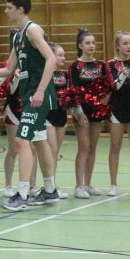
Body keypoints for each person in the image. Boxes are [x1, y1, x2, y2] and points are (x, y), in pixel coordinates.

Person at [0, 0, 61, 211]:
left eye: (8, 7)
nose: (5, 11)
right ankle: (50, 190)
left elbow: (51, 59)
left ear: (21, 9)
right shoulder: (17, 36)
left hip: (38, 94)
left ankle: (23, 193)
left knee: (22, 141)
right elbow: (8, 69)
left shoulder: (33, 30)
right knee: (39, 141)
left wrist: (41, 91)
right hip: (28, 95)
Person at [105, 31, 130, 197]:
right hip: (117, 109)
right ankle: (113, 184)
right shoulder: (111, 64)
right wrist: (122, 74)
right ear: (117, 46)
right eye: (125, 43)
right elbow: (114, 86)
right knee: (115, 147)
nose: (129, 46)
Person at [68, 28, 107, 199]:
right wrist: (79, 112)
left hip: (97, 109)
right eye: (87, 43)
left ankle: (88, 183)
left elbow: (107, 87)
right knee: (83, 147)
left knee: (93, 147)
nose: (91, 46)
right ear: (80, 46)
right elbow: (73, 90)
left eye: (93, 43)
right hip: (81, 110)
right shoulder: (75, 66)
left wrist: (103, 102)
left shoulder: (101, 65)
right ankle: (79, 185)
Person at [44, 42, 70, 198]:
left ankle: (52, 185)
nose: (63, 58)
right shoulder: (44, 73)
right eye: (60, 54)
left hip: (62, 115)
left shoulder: (65, 75)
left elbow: (70, 95)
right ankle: (50, 187)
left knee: (56, 152)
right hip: (48, 115)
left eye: (63, 55)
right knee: (52, 150)